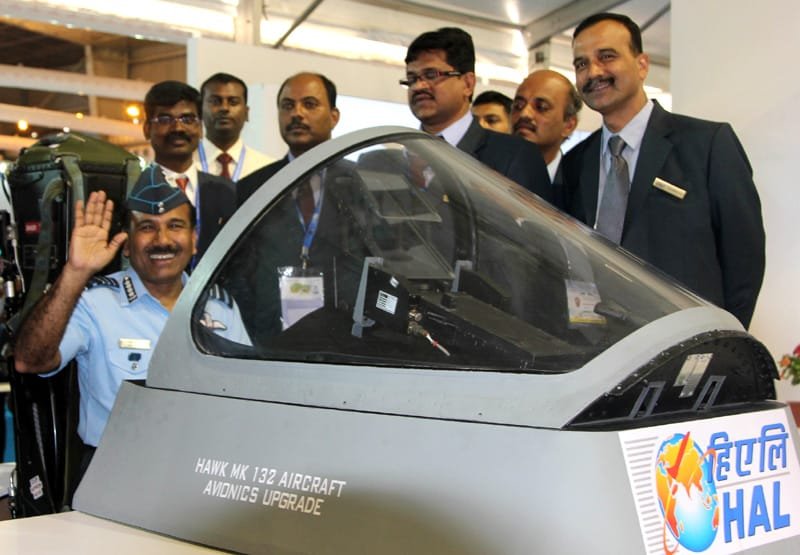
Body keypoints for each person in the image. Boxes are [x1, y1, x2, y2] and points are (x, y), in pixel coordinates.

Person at [14, 169, 248, 482]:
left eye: (175, 226)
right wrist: (75, 272)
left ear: (193, 241)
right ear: (126, 244)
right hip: (116, 472)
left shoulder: (221, 306)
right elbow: (31, 360)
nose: (162, 240)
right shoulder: (95, 303)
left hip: (200, 471)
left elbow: (249, 394)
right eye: (146, 228)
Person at [562, 12, 765, 327]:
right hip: (599, 351)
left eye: (607, 57)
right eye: (581, 64)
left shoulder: (707, 145)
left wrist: (723, 343)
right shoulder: (576, 162)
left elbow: (744, 260)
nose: (593, 72)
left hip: (686, 346)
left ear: (642, 65)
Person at [403, 27, 552, 203]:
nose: (419, 87)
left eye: (431, 75)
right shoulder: (382, 162)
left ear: (467, 83)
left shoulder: (514, 157)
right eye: (412, 78)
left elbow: (534, 229)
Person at [143, 80, 235, 261]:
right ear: (147, 129)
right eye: (165, 119)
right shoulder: (136, 190)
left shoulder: (228, 192)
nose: (177, 128)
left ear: (200, 129)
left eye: (187, 119)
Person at [236, 72, 340, 206]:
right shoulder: (253, 187)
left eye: (309, 104)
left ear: (334, 117)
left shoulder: (359, 180)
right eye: (288, 106)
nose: (296, 113)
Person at [512, 69, 582, 201]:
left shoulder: (579, 190)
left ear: (569, 125)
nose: (524, 114)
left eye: (541, 107)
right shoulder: (490, 170)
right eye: (518, 105)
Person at [196, 72, 272, 181]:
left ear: (246, 113)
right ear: (200, 111)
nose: (224, 108)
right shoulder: (184, 164)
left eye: (233, 102)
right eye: (215, 101)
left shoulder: (265, 167)